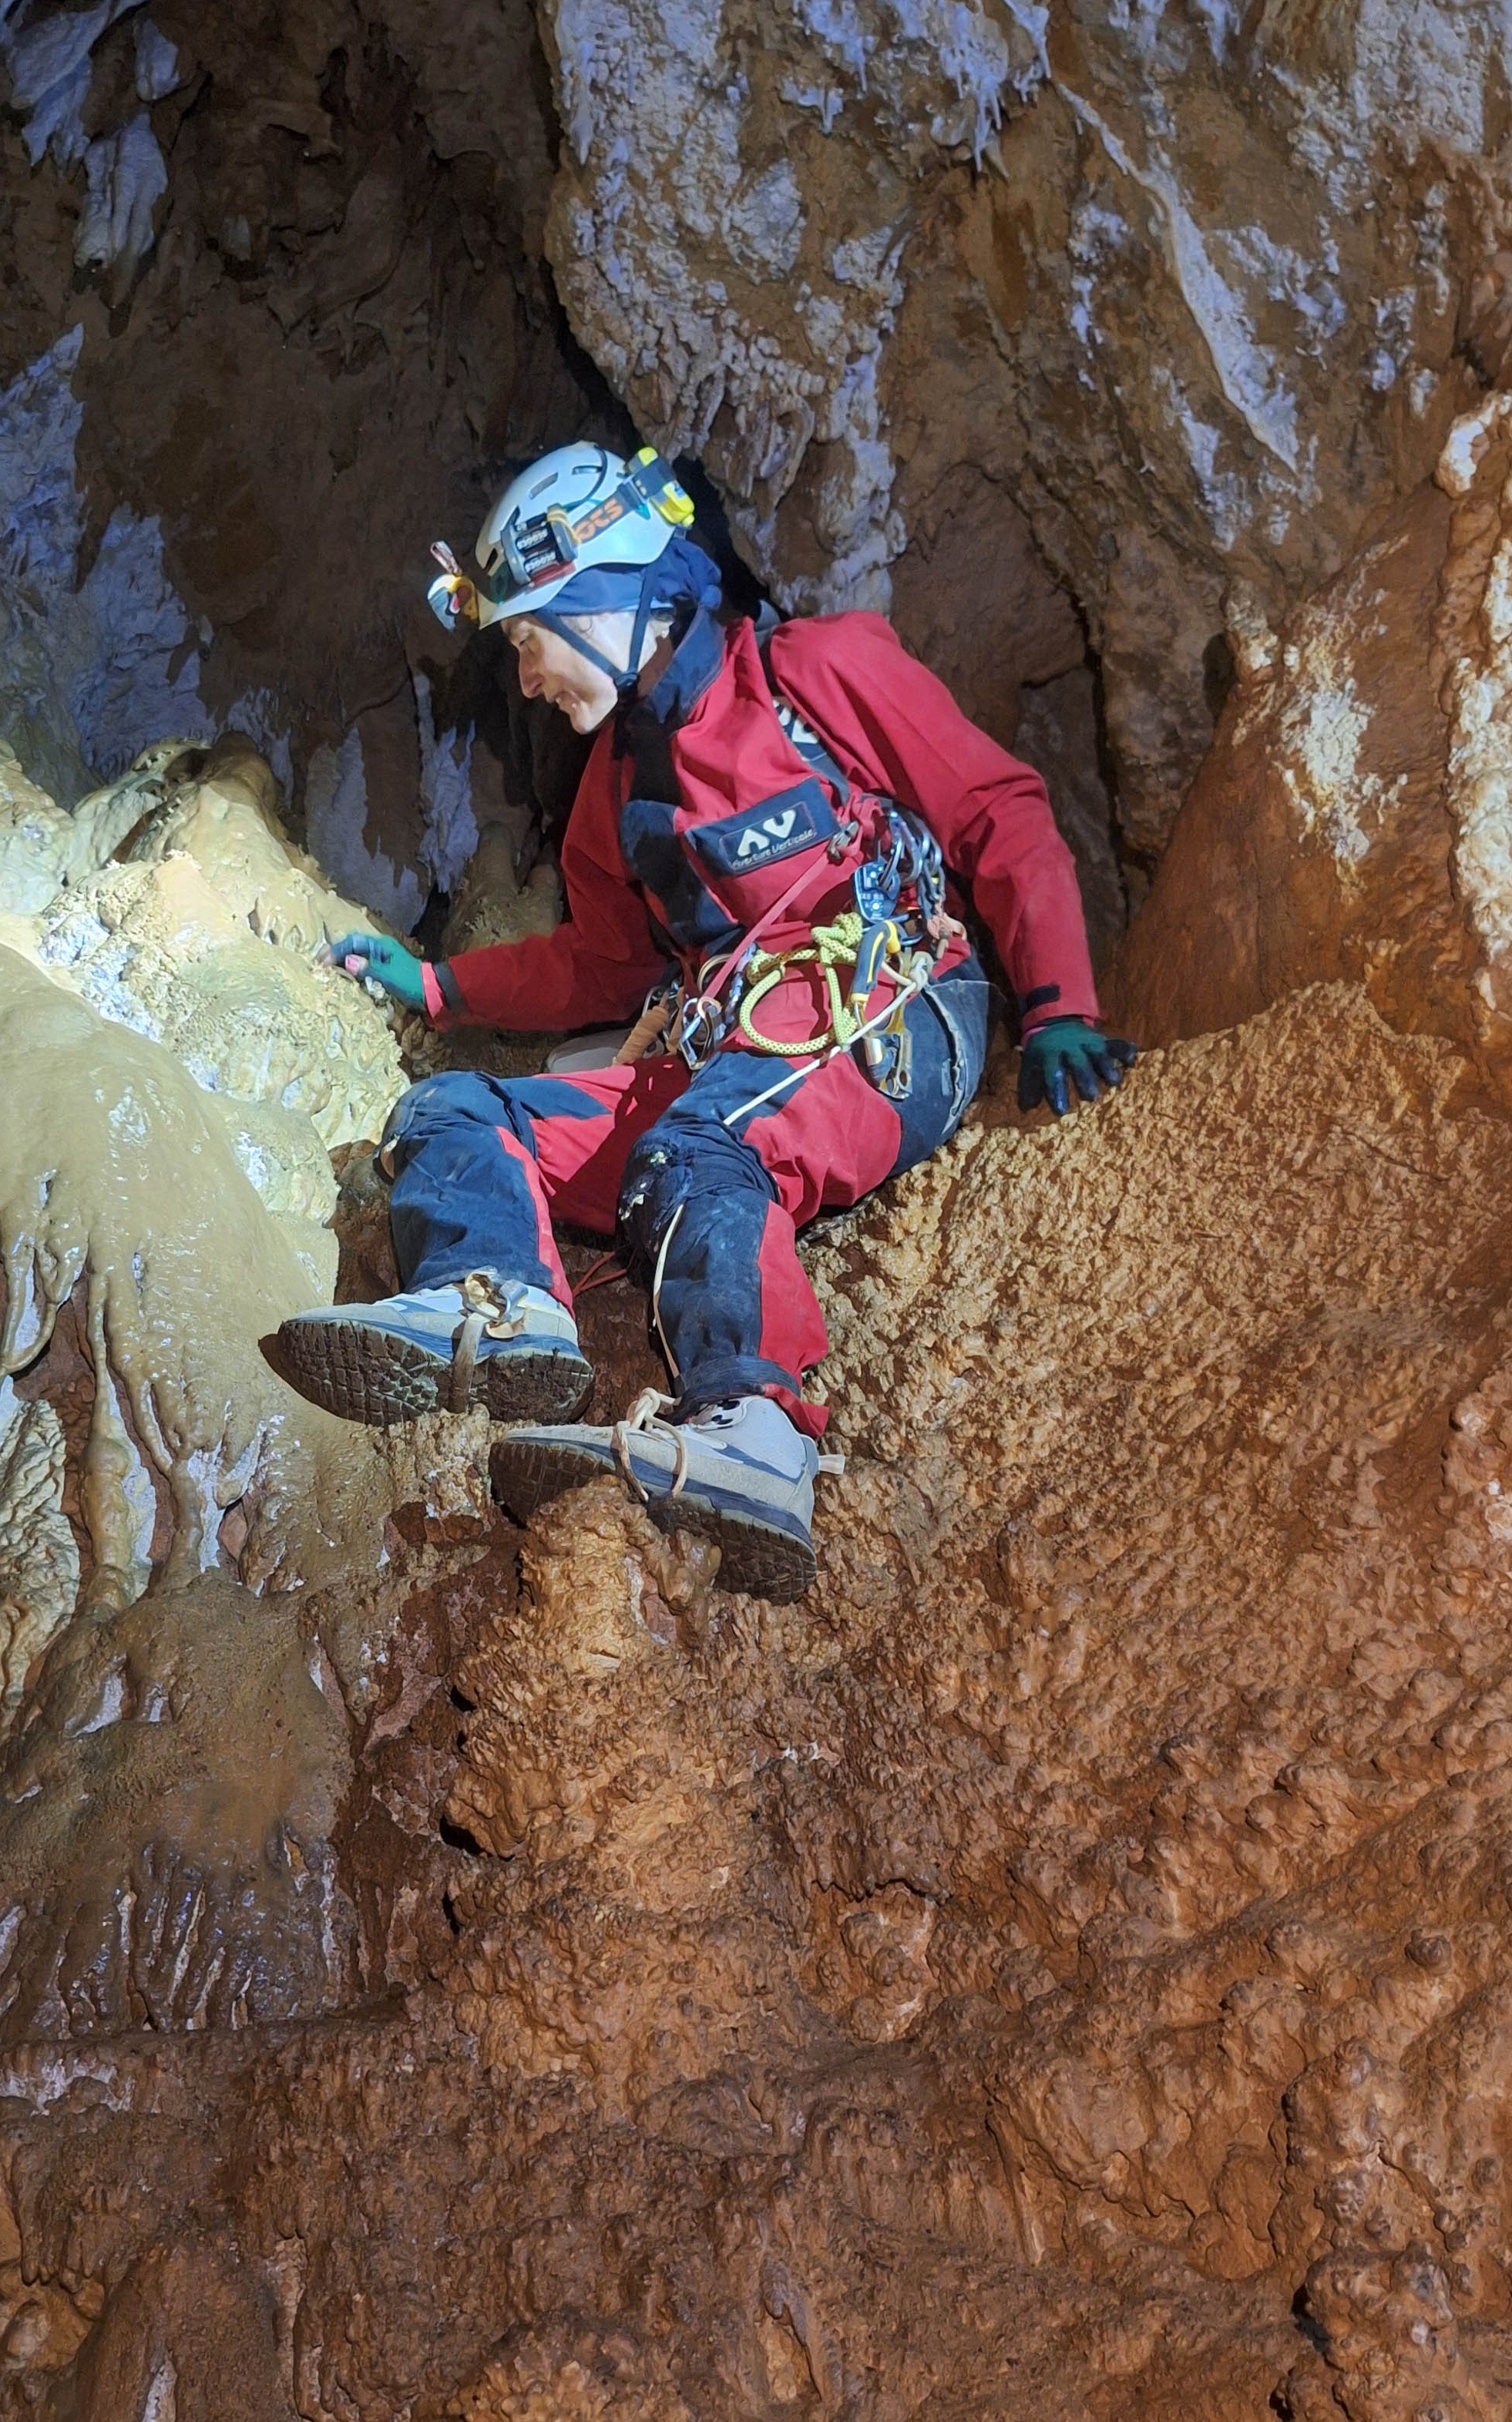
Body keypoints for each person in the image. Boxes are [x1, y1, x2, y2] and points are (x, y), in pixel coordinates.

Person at [268, 442, 1134, 1601]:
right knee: (458, 1107)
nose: (524, 680)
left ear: (610, 599)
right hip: (731, 1052)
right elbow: (600, 966)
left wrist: (1060, 1003)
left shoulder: (815, 674)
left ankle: (759, 1439)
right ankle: (503, 1308)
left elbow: (994, 810)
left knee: (696, 1148)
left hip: (892, 1008)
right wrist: (439, 990)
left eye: (528, 639)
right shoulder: (617, 797)